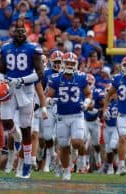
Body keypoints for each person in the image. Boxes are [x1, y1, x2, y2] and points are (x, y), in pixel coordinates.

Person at [0, 25, 44, 178]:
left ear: (26, 34)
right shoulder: (5, 48)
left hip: (27, 91)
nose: (20, 34)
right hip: (10, 88)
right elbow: (2, 70)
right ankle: (15, 136)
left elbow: (40, 74)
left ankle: (27, 163)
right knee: (5, 120)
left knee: (26, 128)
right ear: (12, 33)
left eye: (23, 32)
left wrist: (22, 80)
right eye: (17, 31)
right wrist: (0, 82)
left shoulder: (33, 49)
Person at [46, 52, 92, 180]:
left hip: (77, 114)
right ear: (63, 64)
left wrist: (87, 102)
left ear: (76, 64)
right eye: (68, 63)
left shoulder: (81, 77)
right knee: (63, 145)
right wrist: (49, 100)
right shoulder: (55, 78)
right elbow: (48, 95)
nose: (70, 65)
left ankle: (76, 152)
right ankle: (66, 171)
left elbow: (88, 94)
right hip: (61, 116)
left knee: (77, 142)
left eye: (72, 63)